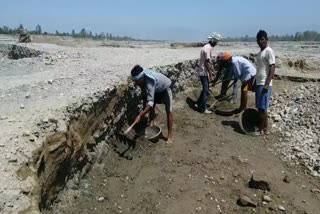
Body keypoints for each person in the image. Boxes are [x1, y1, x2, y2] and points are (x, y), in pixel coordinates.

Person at [131, 65, 173, 144]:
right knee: (150, 107)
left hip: (165, 89)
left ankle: (170, 135)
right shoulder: (142, 81)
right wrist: (144, 109)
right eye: (134, 81)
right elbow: (145, 97)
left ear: (141, 78)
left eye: (136, 81)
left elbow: (150, 103)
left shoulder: (150, 83)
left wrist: (140, 115)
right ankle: (152, 121)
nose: (136, 83)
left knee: (169, 111)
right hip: (156, 90)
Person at [196, 32, 222, 114]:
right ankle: (202, 108)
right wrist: (211, 75)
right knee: (206, 90)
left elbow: (207, 62)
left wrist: (211, 71)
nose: (217, 44)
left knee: (205, 89)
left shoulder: (207, 47)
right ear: (213, 41)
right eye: (216, 42)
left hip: (203, 71)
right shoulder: (208, 48)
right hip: (203, 72)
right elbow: (207, 62)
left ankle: (198, 103)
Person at [255, 30, 275, 135]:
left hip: (264, 83)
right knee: (261, 107)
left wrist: (267, 83)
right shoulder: (260, 53)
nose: (260, 41)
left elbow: (272, 67)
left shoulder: (269, 51)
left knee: (262, 108)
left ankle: (260, 129)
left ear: (266, 39)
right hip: (259, 83)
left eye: (262, 39)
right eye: (258, 39)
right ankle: (265, 129)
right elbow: (259, 69)